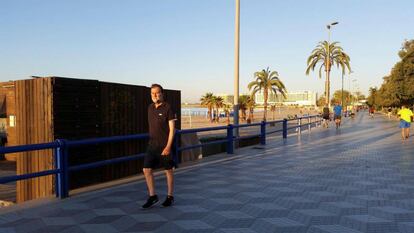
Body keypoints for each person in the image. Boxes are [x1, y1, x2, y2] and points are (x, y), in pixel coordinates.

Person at [142, 84, 177, 209]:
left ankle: (170, 196)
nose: (155, 95)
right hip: (152, 145)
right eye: (152, 93)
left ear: (162, 93)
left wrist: (168, 147)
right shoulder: (150, 108)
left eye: (157, 93)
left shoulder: (168, 108)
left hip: (164, 146)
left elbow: (172, 130)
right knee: (146, 170)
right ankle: (153, 196)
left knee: (168, 171)